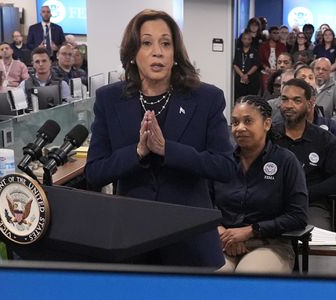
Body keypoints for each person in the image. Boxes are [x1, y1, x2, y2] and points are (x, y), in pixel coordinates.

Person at [85, 9, 236, 268]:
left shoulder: (207, 99)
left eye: (166, 43)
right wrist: (138, 152)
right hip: (131, 241)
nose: (158, 51)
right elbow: (94, 173)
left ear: (175, 54)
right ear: (133, 53)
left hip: (190, 241)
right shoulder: (110, 99)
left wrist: (168, 150)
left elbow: (225, 166)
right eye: (147, 43)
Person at [214, 96, 308, 273]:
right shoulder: (222, 160)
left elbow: (297, 216)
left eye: (248, 121)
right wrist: (221, 232)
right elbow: (205, 204)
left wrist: (250, 231)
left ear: (267, 124)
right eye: (235, 123)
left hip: (270, 244)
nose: (240, 128)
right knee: (213, 278)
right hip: (223, 242)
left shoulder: (286, 161)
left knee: (248, 278)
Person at [273, 79, 336, 230]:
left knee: (314, 241)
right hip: (272, 203)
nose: (289, 105)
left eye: (297, 100)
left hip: (311, 205)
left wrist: (304, 193)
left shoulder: (324, 138)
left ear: (309, 104)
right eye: (284, 99)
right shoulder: (268, 136)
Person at [293, 65, 336, 162]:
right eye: (303, 78)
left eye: (311, 78)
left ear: (313, 100)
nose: (307, 81)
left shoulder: (329, 125)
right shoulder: (283, 123)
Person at [258, 26, 287, 95]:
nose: (276, 35)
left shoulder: (282, 46)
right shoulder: (263, 46)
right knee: (267, 92)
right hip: (266, 72)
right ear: (270, 34)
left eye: (278, 33)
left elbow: (285, 58)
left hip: (278, 71)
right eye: (274, 33)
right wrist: (267, 68)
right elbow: (260, 60)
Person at [233, 31, 260, 100]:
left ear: (251, 40)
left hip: (251, 79)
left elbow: (256, 65)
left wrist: (247, 75)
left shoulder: (254, 51)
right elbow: (235, 64)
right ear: (242, 40)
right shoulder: (237, 51)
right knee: (239, 98)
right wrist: (242, 75)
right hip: (239, 78)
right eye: (245, 39)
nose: (246, 41)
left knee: (250, 99)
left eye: (249, 39)